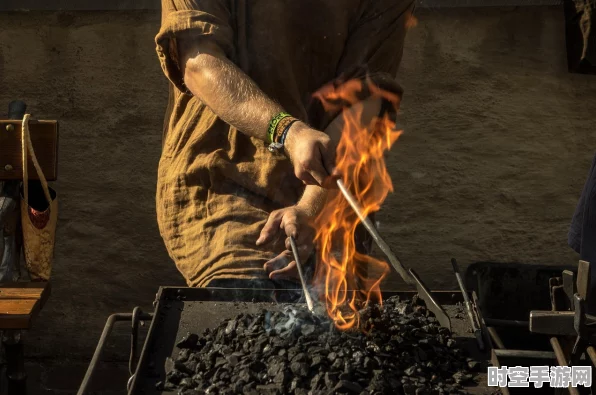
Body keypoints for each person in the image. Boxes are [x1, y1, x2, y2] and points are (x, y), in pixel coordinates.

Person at [154, 0, 416, 289]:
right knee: (241, 305)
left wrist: (310, 209)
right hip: (225, 183)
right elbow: (200, 62)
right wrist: (288, 132)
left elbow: (364, 102)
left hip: (331, 197)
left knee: (338, 323)